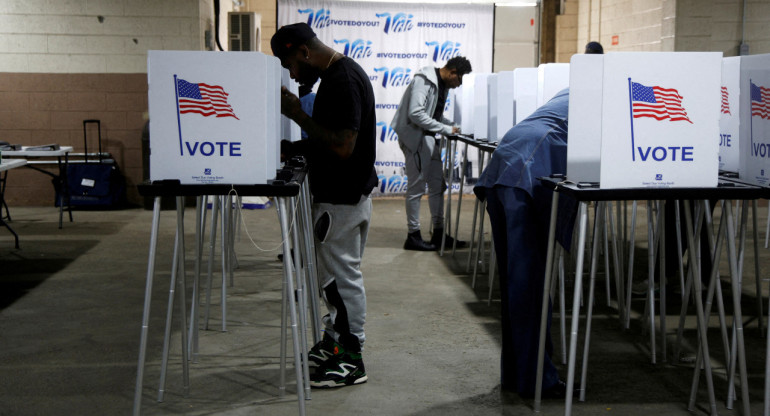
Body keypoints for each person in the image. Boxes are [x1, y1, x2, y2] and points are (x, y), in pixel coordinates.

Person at [272, 22, 377, 388]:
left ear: (302, 52)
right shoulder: (336, 76)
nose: (293, 74)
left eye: (291, 65)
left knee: (341, 280)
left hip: (343, 197)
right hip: (342, 194)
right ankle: (335, 343)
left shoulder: (342, 80)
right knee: (332, 279)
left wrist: (297, 115)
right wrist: (295, 148)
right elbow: (329, 139)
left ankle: (352, 357)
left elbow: (343, 145)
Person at [474, 89, 577, 399]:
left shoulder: (571, 90)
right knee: (529, 284)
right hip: (528, 173)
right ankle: (537, 381)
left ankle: (517, 374)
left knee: (515, 283)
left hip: (504, 165)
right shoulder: (610, 97)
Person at [391, 56, 473, 251]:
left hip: (427, 138)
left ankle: (438, 233)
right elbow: (416, 113)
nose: (457, 86)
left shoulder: (440, 84)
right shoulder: (425, 80)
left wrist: (452, 126)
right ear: (453, 72)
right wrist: (446, 130)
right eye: (458, 81)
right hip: (416, 139)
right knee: (416, 188)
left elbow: (433, 115)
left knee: (438, 186)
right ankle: (413, 235)